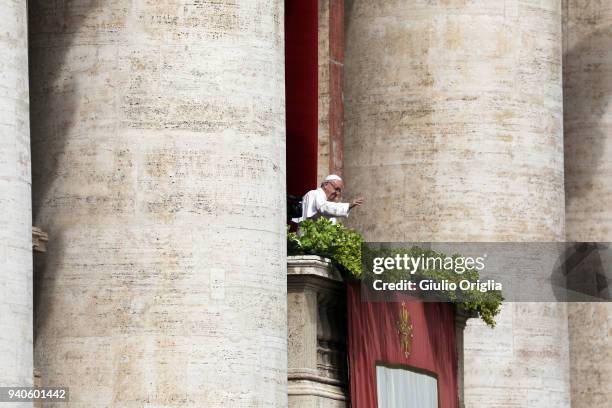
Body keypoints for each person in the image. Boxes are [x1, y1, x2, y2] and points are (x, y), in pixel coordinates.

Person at [292, 174, 364, 224]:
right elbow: (324, 208)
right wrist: (348, 205)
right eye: (336, 189)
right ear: (326, 185)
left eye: (339, 191)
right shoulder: (314, 194)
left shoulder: (328, 202)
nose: (337, 193)